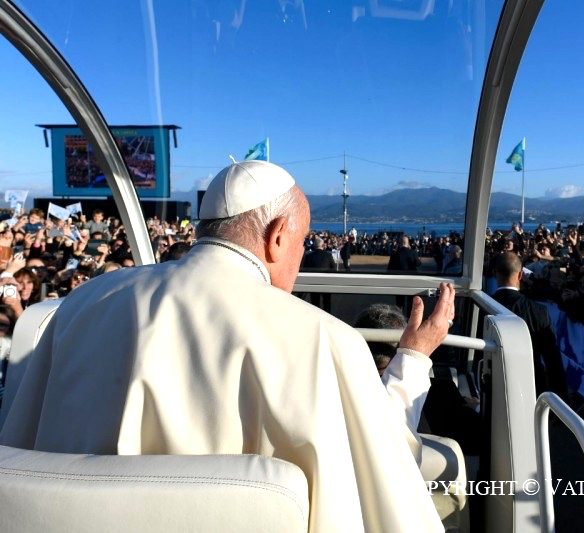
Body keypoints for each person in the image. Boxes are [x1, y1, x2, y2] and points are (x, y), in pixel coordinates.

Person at [0, 160, 454, 533]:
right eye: (302, 244)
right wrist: (411, 360)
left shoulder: (83, 304)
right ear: (277, 237)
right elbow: (386, 473)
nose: (300, 258)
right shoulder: (322, 339)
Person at [492, 252, 567, 396]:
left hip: (492, 381)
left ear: (495, 273)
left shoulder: (482, 306)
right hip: (530, 384)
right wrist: (561, 401)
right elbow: (552, 360)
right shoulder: (538, 311)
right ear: (520, 275)